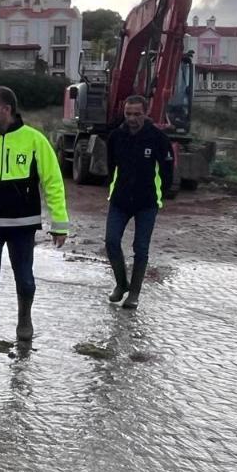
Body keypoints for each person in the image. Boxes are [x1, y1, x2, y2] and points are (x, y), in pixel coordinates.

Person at [0, 86, 69, 362]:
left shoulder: (34, 140)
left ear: (7, 109)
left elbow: (53, 182)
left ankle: (24, 320)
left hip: (22, 225)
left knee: (25, 278)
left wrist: (59, 223)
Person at [105, 94, 174, 310]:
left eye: (137, 114)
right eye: (128, 114)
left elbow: (167, 172)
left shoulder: (158, 139)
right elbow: (110, 167)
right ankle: (121, 284)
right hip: (120, 200)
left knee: (141, 248)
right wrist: (112, 188)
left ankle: (134, 294)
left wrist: (161, 194)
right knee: (111, 242)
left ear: (146, 113)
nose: (132, 118)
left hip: (147, 202)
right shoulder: (116, 136)